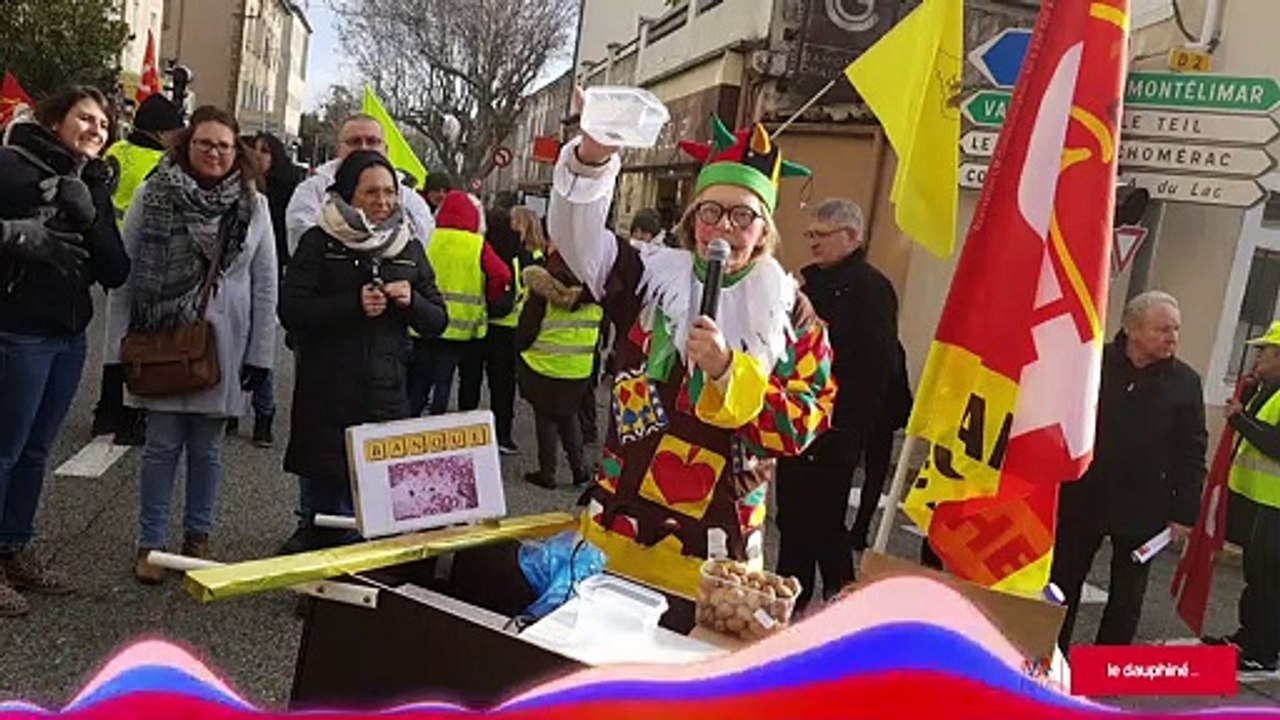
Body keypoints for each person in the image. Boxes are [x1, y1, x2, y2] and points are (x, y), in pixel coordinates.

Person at [548, 112, 836, 598]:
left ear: (763, 231)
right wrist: (592, 158)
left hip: (718, 553)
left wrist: (730, 372)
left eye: (742, 215)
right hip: (619, 529)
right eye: (710, 212)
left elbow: (804, 423)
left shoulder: (793, 315)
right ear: (691, 220)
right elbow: (577, 241)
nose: (723, 227)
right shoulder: (647, 276)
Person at [104, 106, 278, 584]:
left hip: (225, 341)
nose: (215, 153)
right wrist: (115, 354)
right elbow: (127, 274)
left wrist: (261, 357)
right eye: (205, 143)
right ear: (187, 146)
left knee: (209, 449)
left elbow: (266, 285)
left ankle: (197, 539)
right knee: (160, 446)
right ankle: (152, 544)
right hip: (161, 335)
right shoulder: (152, 193)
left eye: (224, 145)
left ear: (235, 150)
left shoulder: (253, 204)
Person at [0, 86, 129, 616]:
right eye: (86, 118)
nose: (97, 130)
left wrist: (91, 214)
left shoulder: (92, 182)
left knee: (35, 452)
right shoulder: (10, 166)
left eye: (104, 124)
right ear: (55, 119)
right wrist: (13, 235)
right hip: (17, 331)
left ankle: (14, 548)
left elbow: (116, 270)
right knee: (4, 451)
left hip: (67, 334)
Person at [278, 151, 447, 553]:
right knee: (327, 510)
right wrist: (352, 304)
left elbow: (438, 319)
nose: (383, 201)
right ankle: (319, 598)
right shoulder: (319, 242)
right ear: (348, 194)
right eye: (371, 191)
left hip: (386, 397)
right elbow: (291, 309)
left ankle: (361, 595)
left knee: (375, 514)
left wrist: (412, 303)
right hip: (327, 396)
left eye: (390, 192)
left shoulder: (409, 246)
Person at [1051, 290, 1206, 649]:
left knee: (1128, 594)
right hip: (1085, 495)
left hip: (1145, 506)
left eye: (1176, 330)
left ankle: (1105, 669)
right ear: (1133, 330)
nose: (1173, 338)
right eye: (1162, 329)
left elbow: (1191, 450)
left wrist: (1184, 512)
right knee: (1063, 581)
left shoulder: (1185, 382)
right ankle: (1050, 655)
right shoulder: (1094, 363)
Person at [774, 197, 906, 610]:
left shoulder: (871, 290)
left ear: (851, 236)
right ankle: (788, 599)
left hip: (836, 429)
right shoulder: (809, 285)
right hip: (798, 422)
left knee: (825, 525)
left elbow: (873, 370)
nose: (812, 243)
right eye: (809, 234)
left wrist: (848, 432)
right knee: (793, 521)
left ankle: (841, 604)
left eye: (821, 235)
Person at [93, 93, 186, 445]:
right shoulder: (160, 162)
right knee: (139, 336)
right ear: (163, 133)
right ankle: (129, 414)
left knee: (114, 332)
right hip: (144, 253)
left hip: (106, 250)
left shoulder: (115, 151)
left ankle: (105, 411)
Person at [1203, 321, 1280, 672]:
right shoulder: (1267, 390)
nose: (1257, 356)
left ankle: (1263, 650)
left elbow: (1275, 444)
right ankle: (1248, 638)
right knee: (1257, 576)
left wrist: (1241, 420)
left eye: (1264, 351)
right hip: (1259, 499)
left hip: (1275, 505)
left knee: (1268, 580)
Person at [225, 130, 303, 448]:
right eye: (253, 150)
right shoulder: (236, 186)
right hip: (238, 274)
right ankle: (230, 407)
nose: (258, 156)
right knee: (230, 344)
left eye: (265, 150)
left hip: (274, 270)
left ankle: (264, 414)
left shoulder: (286, 189)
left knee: (260, 345)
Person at [285, 113, 434, 255]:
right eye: (355, 142)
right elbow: (301, 240)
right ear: (339, 149)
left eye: (372, 141)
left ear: (386, 149)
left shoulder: (410, 200)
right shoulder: (311, 191)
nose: (363, 148)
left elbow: (419, 248)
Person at [423, 191, 512, 416]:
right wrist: (488, 297)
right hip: (464, 327)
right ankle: (444, 424)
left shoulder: (428, 237)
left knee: (420, 381)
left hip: (427, 322)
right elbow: (502, 275)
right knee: (454, 379)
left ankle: (413, 426)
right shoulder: (477, 244)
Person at [517, 250, 601, 489]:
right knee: (569, 414)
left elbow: (526, 330)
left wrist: (520, 352)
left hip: (544, 365)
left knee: (545, 417)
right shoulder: (594, 296)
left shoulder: (542, 294)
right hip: (579, 368)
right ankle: (579, 469)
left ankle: (547, 472)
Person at [483, 205, 545, 453]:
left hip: (495, 323)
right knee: (507, 382)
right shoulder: (534, 255)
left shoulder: (500, 250)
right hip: (519, 324)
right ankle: (504, 434)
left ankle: (491, 432)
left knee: (493, 381)